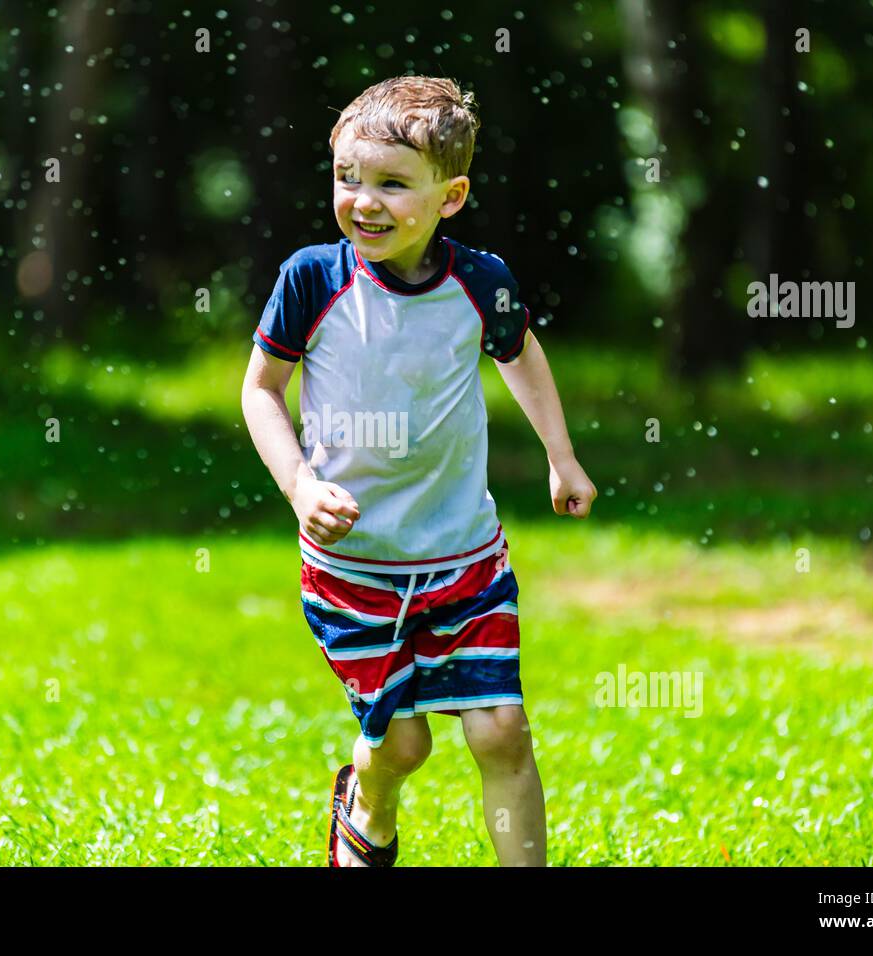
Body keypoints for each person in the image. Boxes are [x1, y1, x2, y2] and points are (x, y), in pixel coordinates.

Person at [240, 75, 597, 867]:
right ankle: (364, 806)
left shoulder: (482, 282)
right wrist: (300, 485)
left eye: (392, 185)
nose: (363, 201)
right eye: (347, 179)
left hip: (464, 559)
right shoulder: (313, 279)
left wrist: (561, 457)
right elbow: (260, 390)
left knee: (501, 730)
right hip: (353, 570)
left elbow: (521, 355)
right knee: (403, 746)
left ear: (451, 195)